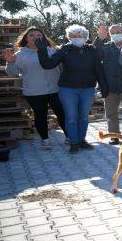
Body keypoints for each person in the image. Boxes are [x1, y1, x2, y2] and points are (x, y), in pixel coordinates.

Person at [37, 24, 108, 154]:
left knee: (84, 117)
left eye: (79, 36)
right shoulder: (64, 50)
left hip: (87, 88)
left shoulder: (92, 50)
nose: (76, 38)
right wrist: (41, 50)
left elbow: (99, 69)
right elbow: (48, 65)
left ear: (85, 37)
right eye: (73, 36)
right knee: (71, 117)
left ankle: (81, 140)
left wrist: (104, 87)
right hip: (68, 89)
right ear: (69, 37)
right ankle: (74, 142)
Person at [4, 27, 66, 149]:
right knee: (40, 116)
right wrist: (10, 62)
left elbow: (62, 69)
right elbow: (12, 73)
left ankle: (70, 137)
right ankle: (45, 140)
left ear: (43, 38)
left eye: (38, 35)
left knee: (62, 114)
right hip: (34, 92)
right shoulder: (20, 55)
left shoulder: (53, 51)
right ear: (26, 38)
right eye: (31, 35)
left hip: (55, 90)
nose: (35, 37)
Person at [95, 25, 122, 144]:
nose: (116, 34)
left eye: (119, 31)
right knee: (111, 114)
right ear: (109, 34)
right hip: (109, 87)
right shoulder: (105, 47)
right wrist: (99, 39)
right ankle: (114, 136)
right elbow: (96, 55)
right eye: (113, 32)